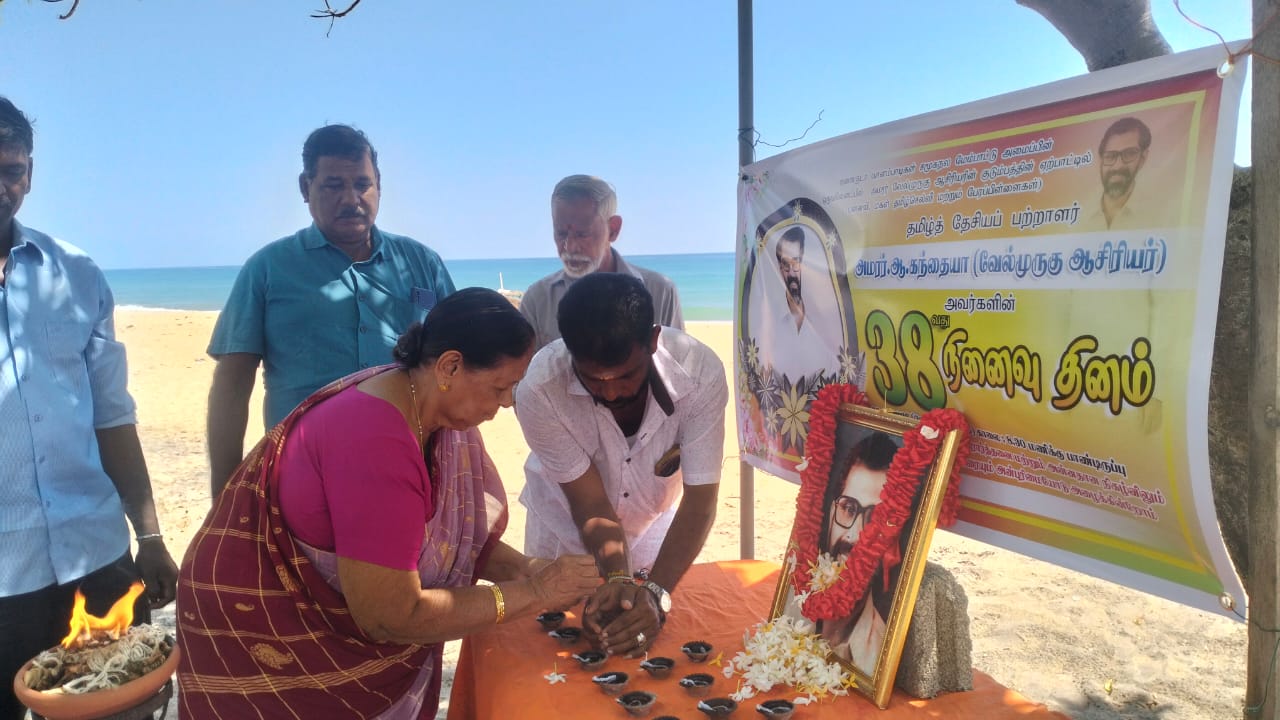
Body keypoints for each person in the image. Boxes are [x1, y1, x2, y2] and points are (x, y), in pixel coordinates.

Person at [178, 288, 599, 719]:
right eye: (501, 386)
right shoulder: (374, 442)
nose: (508, 402)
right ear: (450, 366)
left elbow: (454, 541)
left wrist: (528, 569)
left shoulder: (430, 411)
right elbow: (389, 615)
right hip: (271, 637)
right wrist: (534, 593)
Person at [0, 96, 178, 720]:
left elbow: (112, 416)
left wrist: (149, 536)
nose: (1, 186)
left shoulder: (75, 275)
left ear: (30, 174)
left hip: (96, 556)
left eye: (11, 170)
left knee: (125, 709)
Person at [206, 123, 455, 496]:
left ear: (379, 185)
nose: (351, 199)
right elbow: (232, 383)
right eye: (333, 185)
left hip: (408, 471)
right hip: (302, 477)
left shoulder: (422, 264)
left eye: (362, 184)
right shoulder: (268, 269)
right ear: (305, 188)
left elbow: (458, 363)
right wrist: (226, 490)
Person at [515, 273, 727, 657]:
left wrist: (655, 592)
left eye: (626, 375)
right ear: (569, 354)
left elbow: (700, 502)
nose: (611, 392)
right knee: (552, 651)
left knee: (641, 631)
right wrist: (617, 576)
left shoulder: (700, 375)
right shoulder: (540, 390)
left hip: (653, 524)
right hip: (564, 529)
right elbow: (590, 504)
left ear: (653, 340)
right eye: (594, 380)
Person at [519, 174, 683, 351]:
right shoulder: (537, 301)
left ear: (613, 229)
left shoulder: (661, 292)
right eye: (561, 233)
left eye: (582, 234)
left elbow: (676, 363)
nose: (570, 247)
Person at [816, 431, 902, 674]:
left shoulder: (876, 657)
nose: (854, 536)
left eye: (875, 519)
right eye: (848, 508)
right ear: (831, 511)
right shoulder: (789, 609)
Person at [764, 225, 839, 384]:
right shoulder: (770, 320)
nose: (791, 272)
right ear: (779, 268)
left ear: (805, 264)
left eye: (796, 263)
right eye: (786, 264)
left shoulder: (824, 318)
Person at [1083, 116, 1152, 231]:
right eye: (1110, 156)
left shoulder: (1158, 213)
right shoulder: (1081, 215)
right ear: (1100, 160)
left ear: (1143, 158)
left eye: (1129, 154)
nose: (1118, 166)